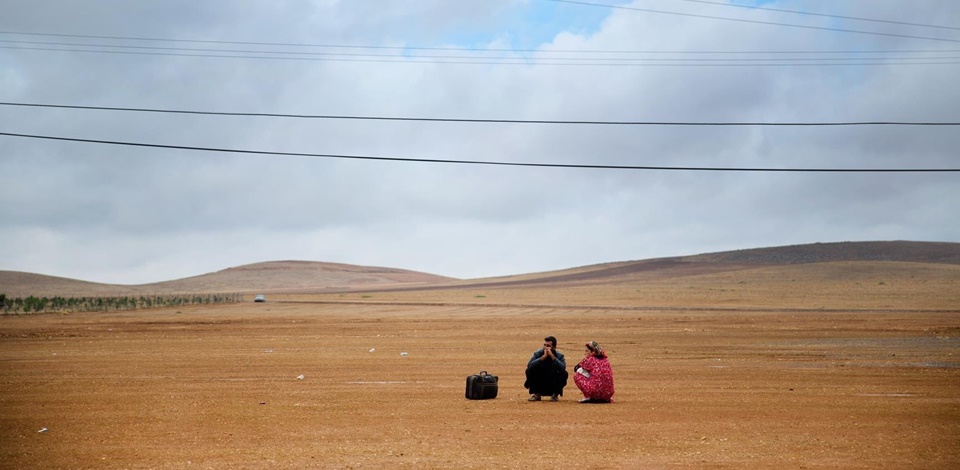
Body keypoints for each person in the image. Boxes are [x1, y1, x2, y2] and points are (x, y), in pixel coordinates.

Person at [524, 336, 568, 401]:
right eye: (544, 345)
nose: (545, 347)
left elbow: (562, 368)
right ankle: (537, 394)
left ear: (554, 347)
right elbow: (530, 366)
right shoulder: (537, 353)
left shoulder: (559, 355)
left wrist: (552, 357)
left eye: (548, 346)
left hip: (552, 380)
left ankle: (555, 395)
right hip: (540, 379)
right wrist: (542, 358)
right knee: (529, 371)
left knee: (564, 374)